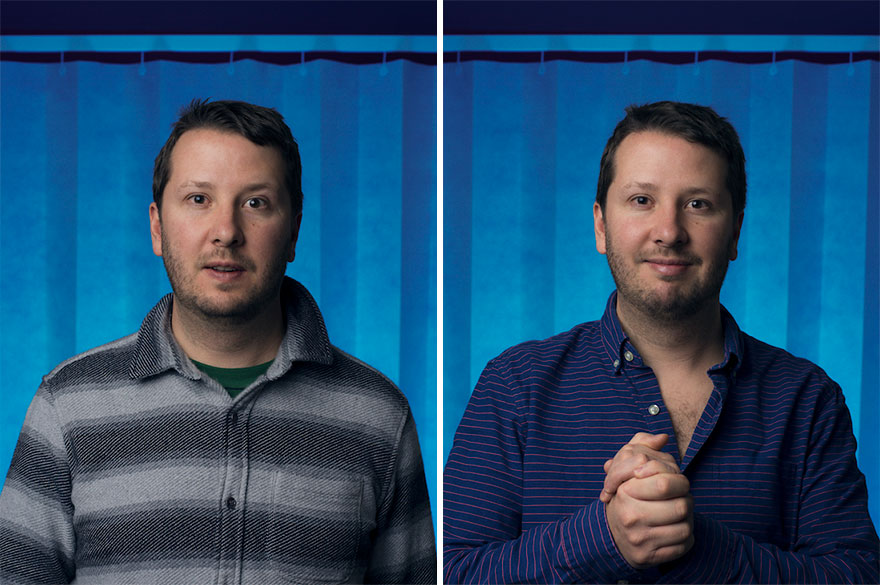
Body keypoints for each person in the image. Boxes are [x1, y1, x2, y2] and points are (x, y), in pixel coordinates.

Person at [0, 99, 435, 584]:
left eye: (255, 203)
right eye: (198, 199)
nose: (226, 232)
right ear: (157, 227)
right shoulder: (66, 407)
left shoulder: (379, 417)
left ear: (294, 230)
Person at [443, 101, 879, 584]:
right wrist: (602, 538)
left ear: (735, 231)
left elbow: (856, 576)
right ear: (601, 226)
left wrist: (705, 547)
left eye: (698, 204)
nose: (669, 232)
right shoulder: (515, 385)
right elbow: (450, 573)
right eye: (641, 200)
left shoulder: (806, 399)